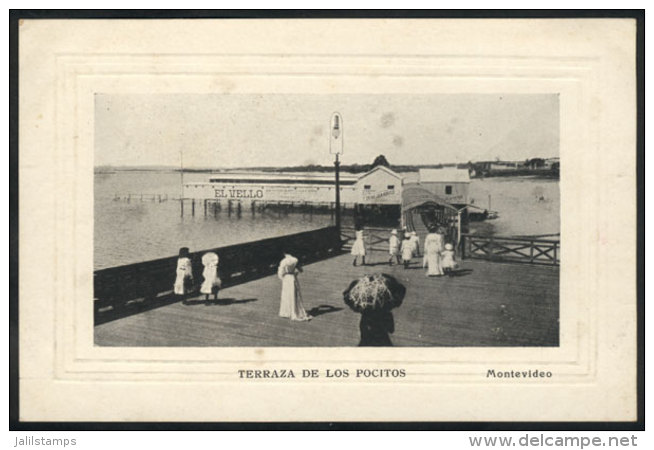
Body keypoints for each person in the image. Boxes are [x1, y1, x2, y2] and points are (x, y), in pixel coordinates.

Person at [278, 253, 312, 321]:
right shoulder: (295, 260)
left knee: (286, 294)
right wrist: (295, 273)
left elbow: (280, 273)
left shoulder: (283, 261)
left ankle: (286, 312)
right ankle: (295, 311)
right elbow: (301, 270)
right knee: (294, 294)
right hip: (293, 277)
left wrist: (282, 277)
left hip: (286, 278)